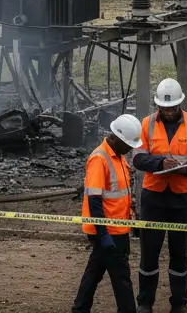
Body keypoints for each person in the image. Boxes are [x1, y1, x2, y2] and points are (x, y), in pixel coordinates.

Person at [132, 78, 187, 313]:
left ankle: (179, 303)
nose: (168, 112)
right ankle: (145, 303)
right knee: (149, 254)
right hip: (153, 198)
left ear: (179, 105)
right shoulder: (146, 124)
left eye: (172, 108)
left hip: (182, 198)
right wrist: (160, 162)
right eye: (164, 108)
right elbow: (137, 158)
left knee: (179, 254)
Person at [72, 113, 143, 313]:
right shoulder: (99, 159)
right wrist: (103, 234)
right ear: (115, 138)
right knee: (121, 277)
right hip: (108, 230)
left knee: (94, 272)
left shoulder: (118, 156)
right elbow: (94, 200)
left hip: (117, 229)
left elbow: (121, 196)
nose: (130, 149)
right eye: (128, 144)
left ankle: (80, 308)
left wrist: (132, 221)